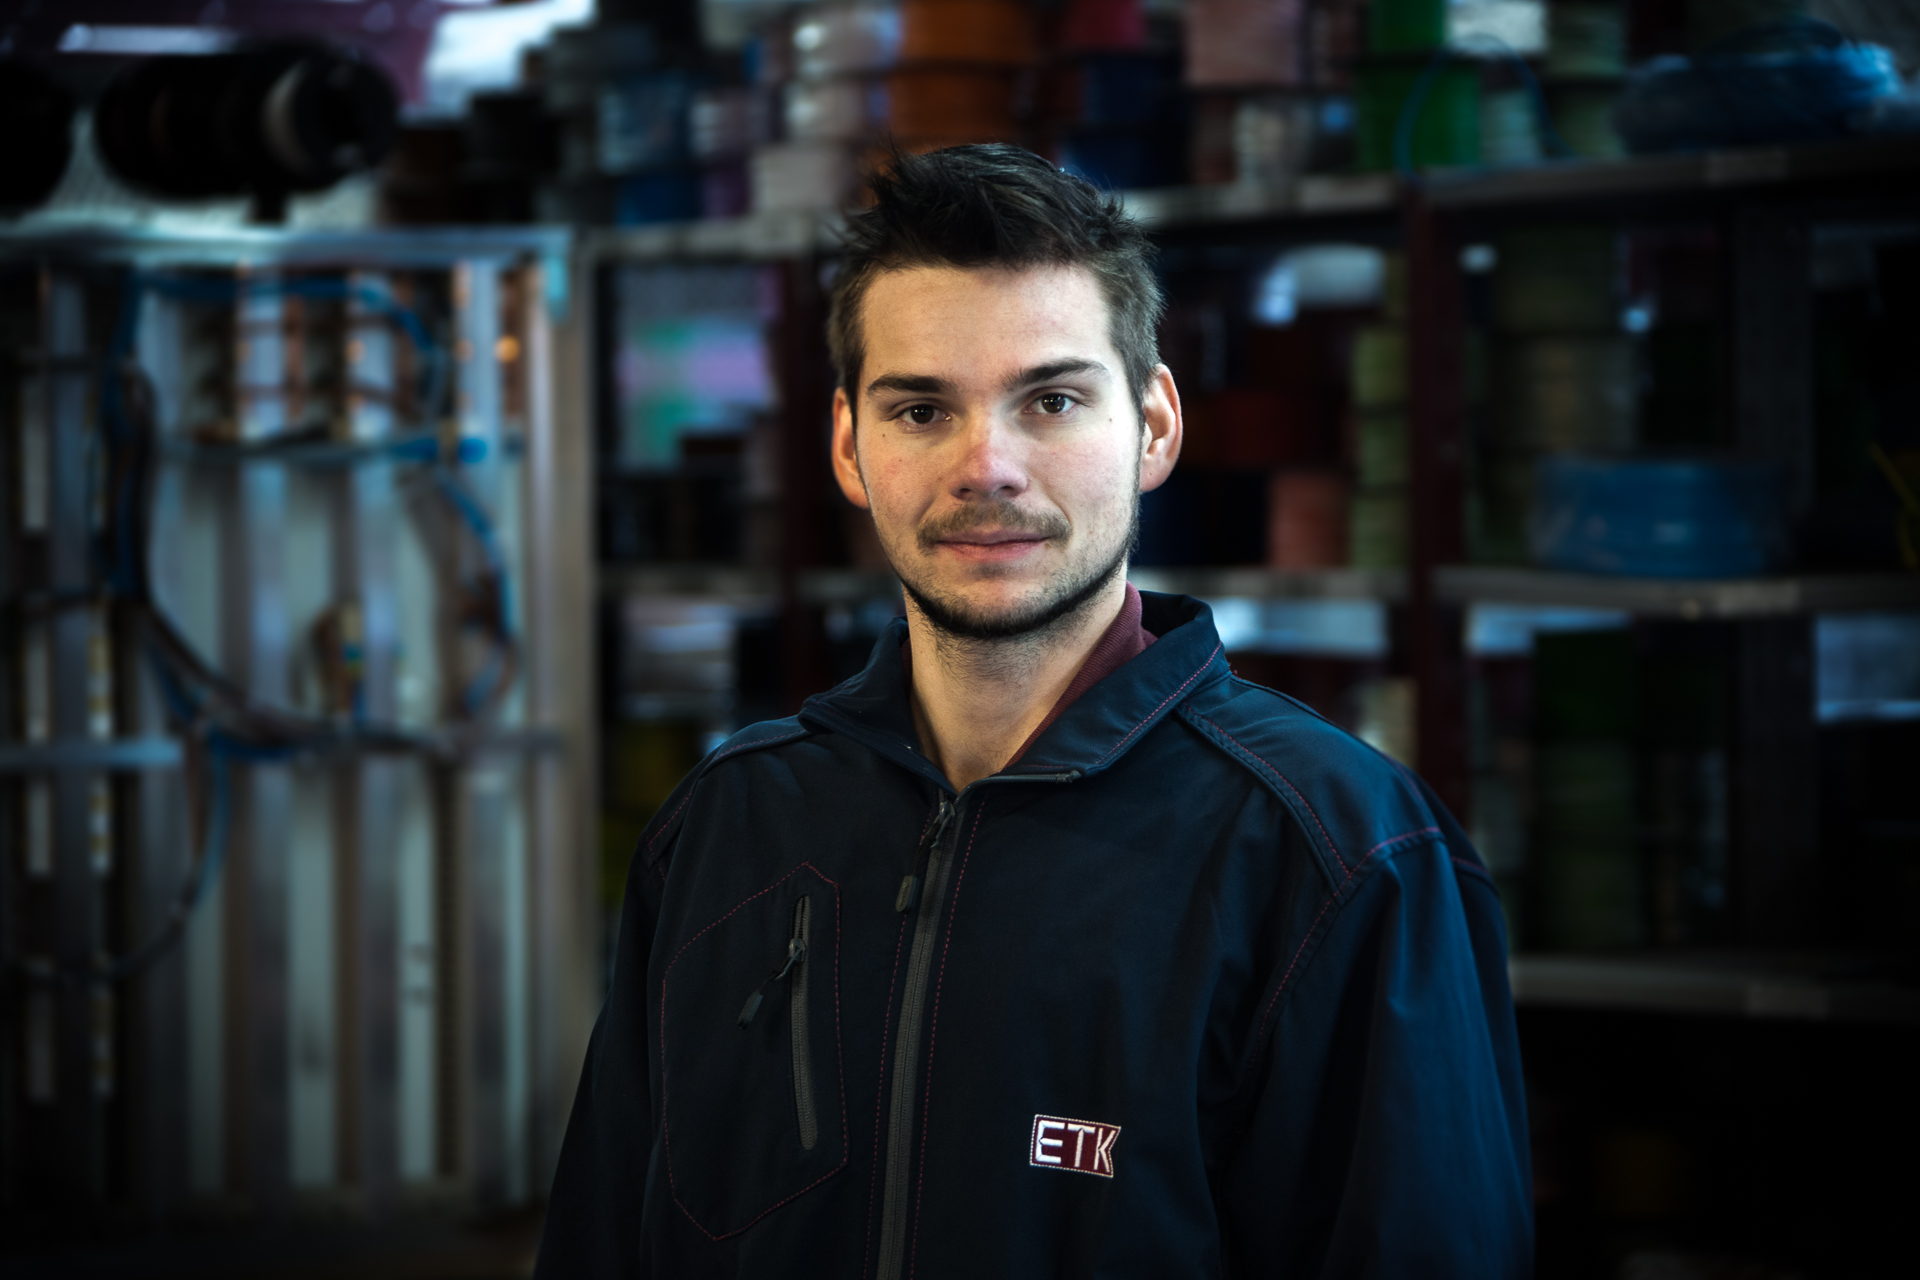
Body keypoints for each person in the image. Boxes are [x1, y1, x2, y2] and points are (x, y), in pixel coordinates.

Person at [536, 144, 1531, 1279]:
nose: (988, 466)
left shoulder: (1341, 856)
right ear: (849, 447)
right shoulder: (724, 830)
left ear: (1154, 426)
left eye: (1051, 400)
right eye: (922, 409)